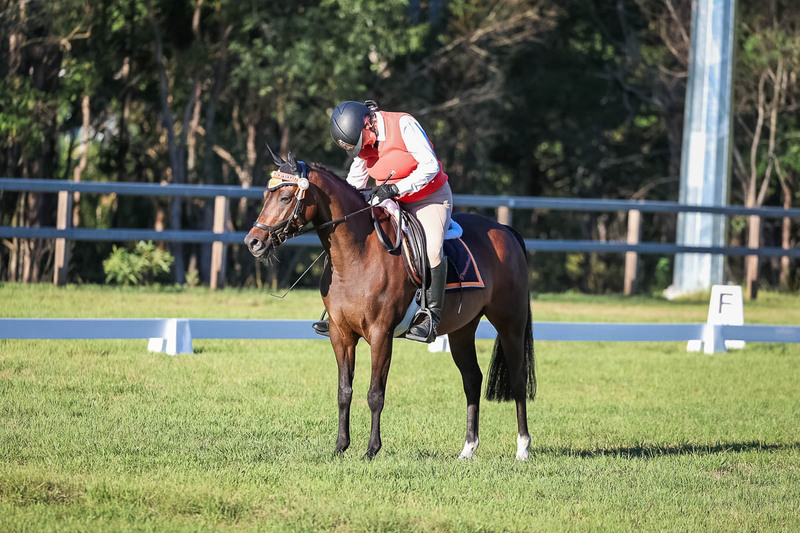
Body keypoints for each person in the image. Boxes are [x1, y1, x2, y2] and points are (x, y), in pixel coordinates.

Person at [315, 100, 452, 343]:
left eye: (360, 142)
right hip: (388, 199)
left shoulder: (403, 124)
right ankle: (336, 310)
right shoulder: (363, 141)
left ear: (368, 123)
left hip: (428, 198)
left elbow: (430, 165)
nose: (362, 149)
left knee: (432, 250)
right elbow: (356, 179)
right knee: (347, 239)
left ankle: (430, 315)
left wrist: (396, 188)